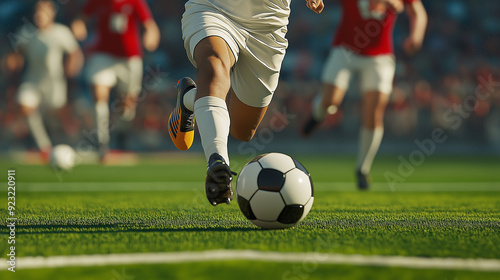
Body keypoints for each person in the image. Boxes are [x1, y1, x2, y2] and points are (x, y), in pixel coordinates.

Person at [168, 0, 325, 206]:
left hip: (268, 24)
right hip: (214, 8)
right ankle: (218, 163)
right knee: (213, 68)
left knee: (242, 130)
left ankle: (189, 98)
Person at [301, 0, 427, 189]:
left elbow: (417, 11)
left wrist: (416, 36)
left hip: (380, 56)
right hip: (345, 50)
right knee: (331, 100)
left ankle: (362, 168)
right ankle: (318, 114)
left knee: (374, 111)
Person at [71, 0, 160, 162]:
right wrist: (79, 27)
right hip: (103, 57)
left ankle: (121, 133)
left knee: (127, 108)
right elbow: (81, 18)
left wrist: (150, 37)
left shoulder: (135, 2)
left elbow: (150, 26)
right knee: (99, 96)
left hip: (129, 59)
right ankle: (102, 143)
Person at [13, 0, 83, 162]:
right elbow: (18, 54)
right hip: (32, 81)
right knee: (26, 106)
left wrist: (71, 69)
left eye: (44, 11)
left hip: (54, 84)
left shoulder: (61, 32)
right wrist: (13, 62)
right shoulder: (26, 33)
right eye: (38, 11)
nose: (40, 15)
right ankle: (44, 147)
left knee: (56, 116)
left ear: (52, 14)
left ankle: (70, 143)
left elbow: (74, 52)